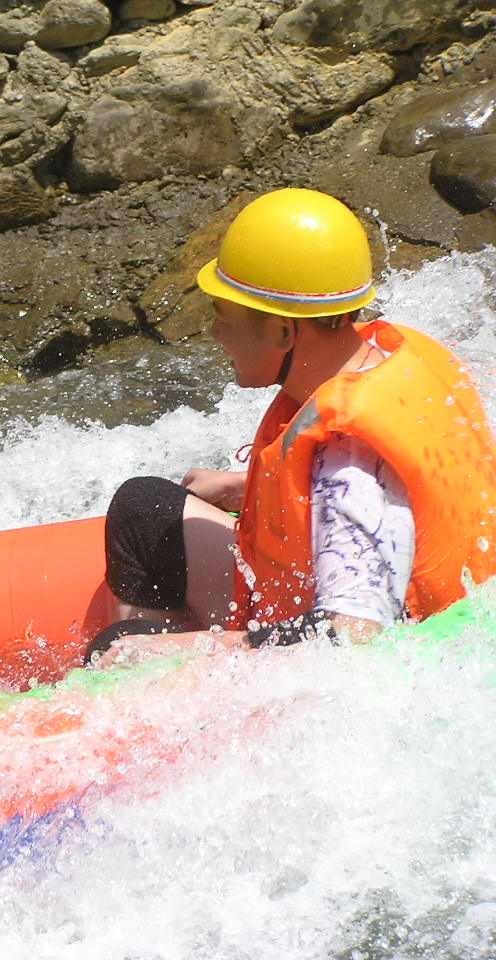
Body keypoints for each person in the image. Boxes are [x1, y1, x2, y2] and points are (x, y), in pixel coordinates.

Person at [91, 188, 496, 667]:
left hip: (368, 665)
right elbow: (393, 494)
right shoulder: (385, 356)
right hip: (328, 598)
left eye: (225, 317)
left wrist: (183, 650)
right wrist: (250, 486)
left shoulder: (348, 460)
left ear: (285, 331)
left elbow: (356, 637)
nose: (215, 334)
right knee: (144, 511)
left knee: (116, 650)